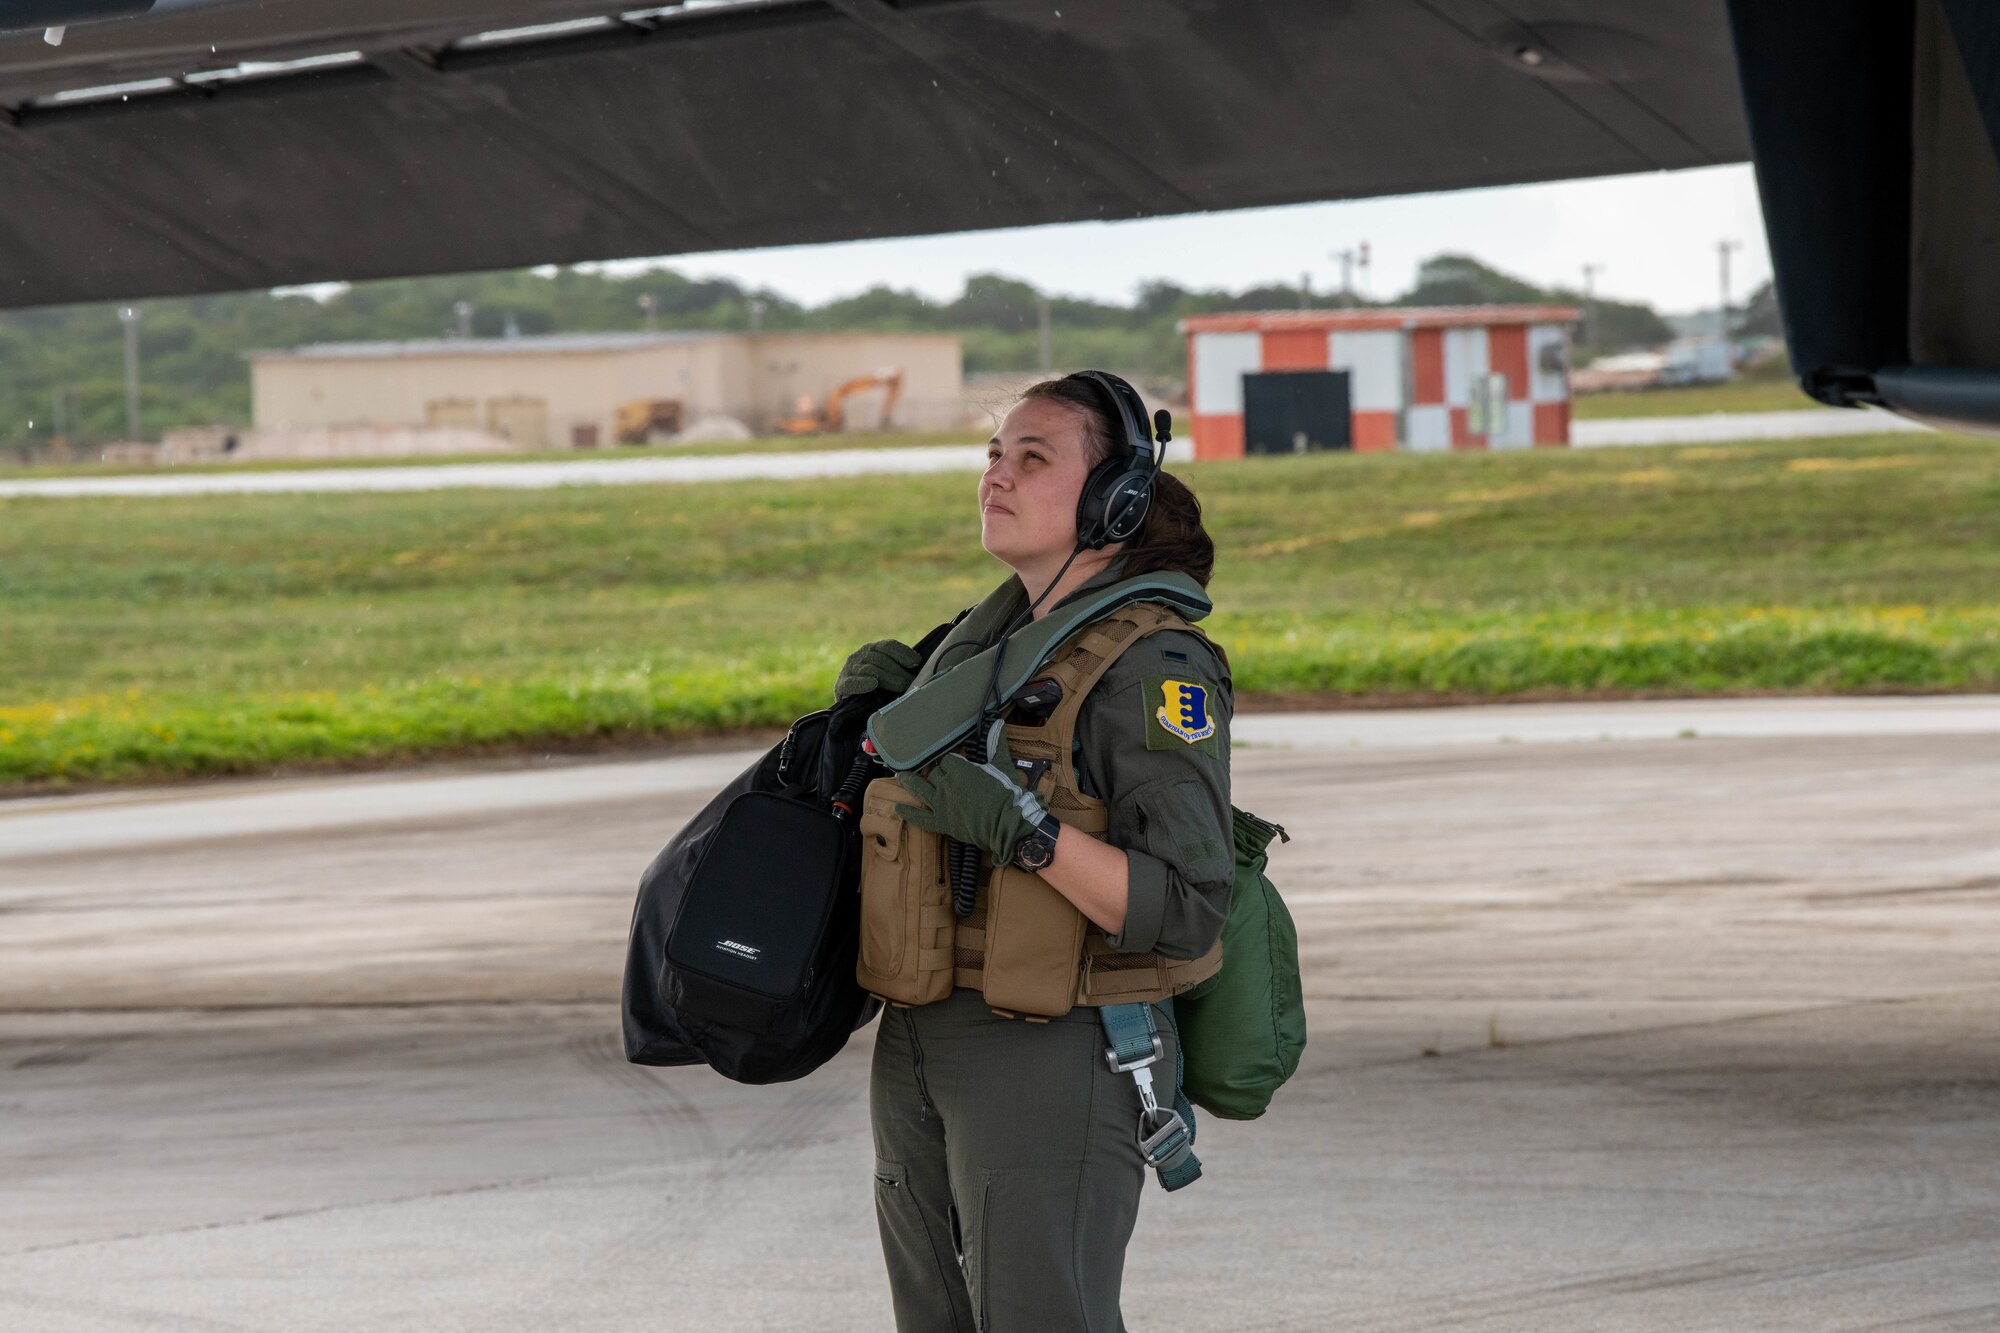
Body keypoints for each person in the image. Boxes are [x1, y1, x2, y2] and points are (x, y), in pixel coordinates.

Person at [832, 372, 1234, 1332]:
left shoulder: (1152, 666)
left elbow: (1185, 903)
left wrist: (1030, 831)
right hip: (926, 1033)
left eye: (1034, 457)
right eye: (993, 455)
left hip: (1061, 1045)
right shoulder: (977, 660)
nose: (996, 476)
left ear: (1113, 501)